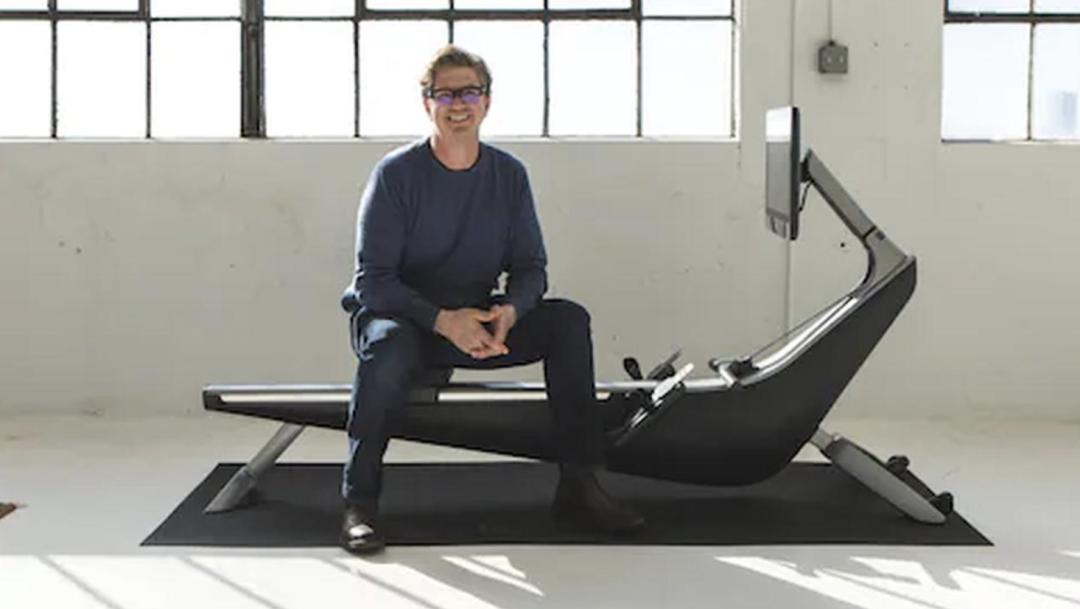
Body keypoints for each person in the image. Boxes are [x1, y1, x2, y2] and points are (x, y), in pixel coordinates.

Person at [339, 45, 644, 555]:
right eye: (445, 94)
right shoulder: (395, 175)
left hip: (476, 318)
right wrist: (443, 321)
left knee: (568, 322)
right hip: (402, 319)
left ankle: (579, 486)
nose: (458, 104)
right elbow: (373, 282)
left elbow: (531, 268)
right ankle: (359, 503)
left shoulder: (508, 175)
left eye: (469, 92)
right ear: (427, 103)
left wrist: (509, 312)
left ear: (487, 101)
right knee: (388, 346)